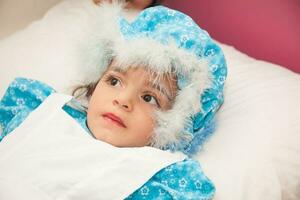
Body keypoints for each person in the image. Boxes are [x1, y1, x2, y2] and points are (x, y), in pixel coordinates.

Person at [0, 2, 227, 199]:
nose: (123, 100)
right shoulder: (41, 109)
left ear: (175, 123)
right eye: (114, 81)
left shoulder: (160, 177)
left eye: (149, 97)